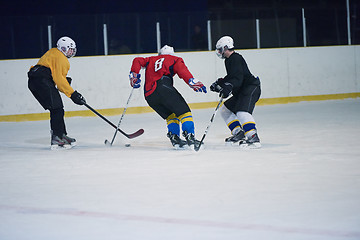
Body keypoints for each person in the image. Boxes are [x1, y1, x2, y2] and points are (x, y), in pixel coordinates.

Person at [129, 45, 207, 149]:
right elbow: (182, 70)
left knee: (171, 115)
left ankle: (175, 138)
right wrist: (191, 80)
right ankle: (190, 137)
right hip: (164, 87)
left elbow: (137, 60)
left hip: (149, 95)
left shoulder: (150, 59)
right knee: (184, 112)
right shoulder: (175, 59)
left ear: (160, 54)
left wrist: (134, 74)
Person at [28, 36, 86, 150]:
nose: (72, 52)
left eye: (73, 50)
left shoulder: (53, 52)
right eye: (70, 49)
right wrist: (73, 94)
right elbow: (59, 82)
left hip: (35, 80)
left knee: (57, 108)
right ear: (63, 48)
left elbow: (56, 77)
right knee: (57, 108)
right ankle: (57, 137)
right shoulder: (61, 58)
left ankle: (61, 135)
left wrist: (65, 82)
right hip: (41, 81)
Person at [210, 36, 261, 148]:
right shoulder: (229, 60)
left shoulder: (236, 58)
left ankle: (253, 136)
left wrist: (228, 86)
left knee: (242, 112)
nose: (219, 52)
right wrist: (221, 83)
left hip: (250, 88)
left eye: (220, 49)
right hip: (242, 90)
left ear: (226, 48)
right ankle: (239, 132)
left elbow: (238, 78)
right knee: (225, 110)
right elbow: (232, 76)